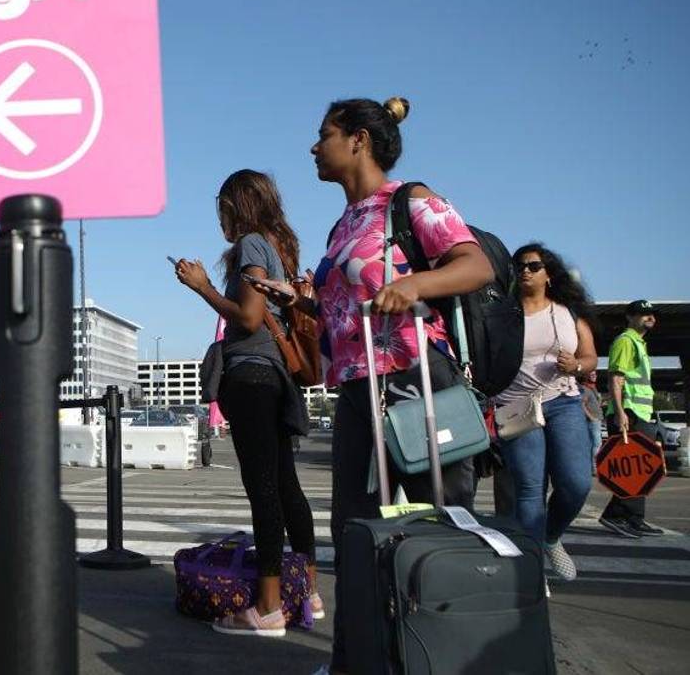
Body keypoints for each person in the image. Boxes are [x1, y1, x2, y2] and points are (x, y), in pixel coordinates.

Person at [261, 97, 494, 675]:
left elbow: (475, 264)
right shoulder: (344, 223)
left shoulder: (409, 201)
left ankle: (439, 655)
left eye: (324, 135)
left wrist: (416, 283)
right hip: (359, 389)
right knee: (355, 531)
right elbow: (347, 302)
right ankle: (356, 660)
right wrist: (298, 300)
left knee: (435, 526)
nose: (315, 147)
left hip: (416, 382)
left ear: (358, 139)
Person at [173, 169, 319, 638]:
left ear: (237, 205)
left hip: (251, 375)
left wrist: (201, 286)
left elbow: (251, 317)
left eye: (223, 207)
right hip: (275, 376)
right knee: (285, 485)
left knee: (264, 488)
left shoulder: (253, 244)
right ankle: (306, 591)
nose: (220, 217)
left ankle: (269, 607)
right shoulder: (279, 245)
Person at [492, 244, 598, 581]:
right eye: (520, 265)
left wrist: (577, 365)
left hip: (563, 401)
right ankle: (531, 568)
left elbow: (591, 357)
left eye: (534, 266)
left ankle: (551, 537)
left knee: (576, 483)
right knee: (529, 489)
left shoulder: (569, 313)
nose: (525, 271)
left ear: (549, 274)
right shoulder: (501, 314)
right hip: (517, 406)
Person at [598, 299, 663, 538]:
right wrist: (621, 411)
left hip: (641, 412)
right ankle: (617, 516)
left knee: (641, 469)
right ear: (629, 317)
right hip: (630, 412)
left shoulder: (639, 343)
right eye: (643, 314)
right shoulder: (626, 341)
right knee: (633, 469)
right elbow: (616, 378)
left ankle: (634, 518)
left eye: (652, 314)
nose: (650, 317)